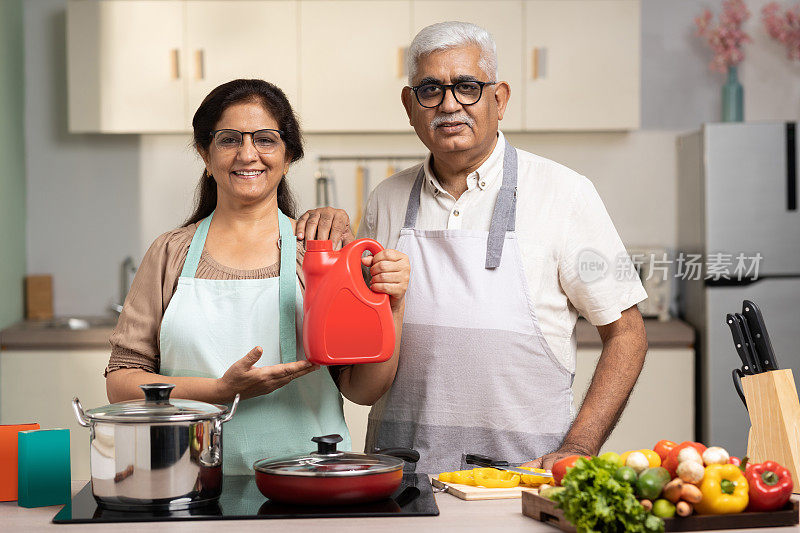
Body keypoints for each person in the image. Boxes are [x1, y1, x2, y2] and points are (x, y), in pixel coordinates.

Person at [296, 22, 648, 474]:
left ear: (498, 99)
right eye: (430, 90)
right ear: (409, 105)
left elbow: (627, 332)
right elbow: (363, 335)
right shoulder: (386, 198)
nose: (449, 105)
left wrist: (580, 444)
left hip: (526, 473)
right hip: (403, 476)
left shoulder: (567, 193)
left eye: (467, 87)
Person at [105, 79, 410, 474]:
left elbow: (362, 390)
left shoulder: (318, 255)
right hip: (184, 482)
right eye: (229, 139)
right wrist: (220, 392)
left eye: (265, 139)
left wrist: (393, 304)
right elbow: (121, 384)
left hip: (304, 483)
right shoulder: (169, 253)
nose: (247, 154)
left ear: (289, 155)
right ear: (205, 152)